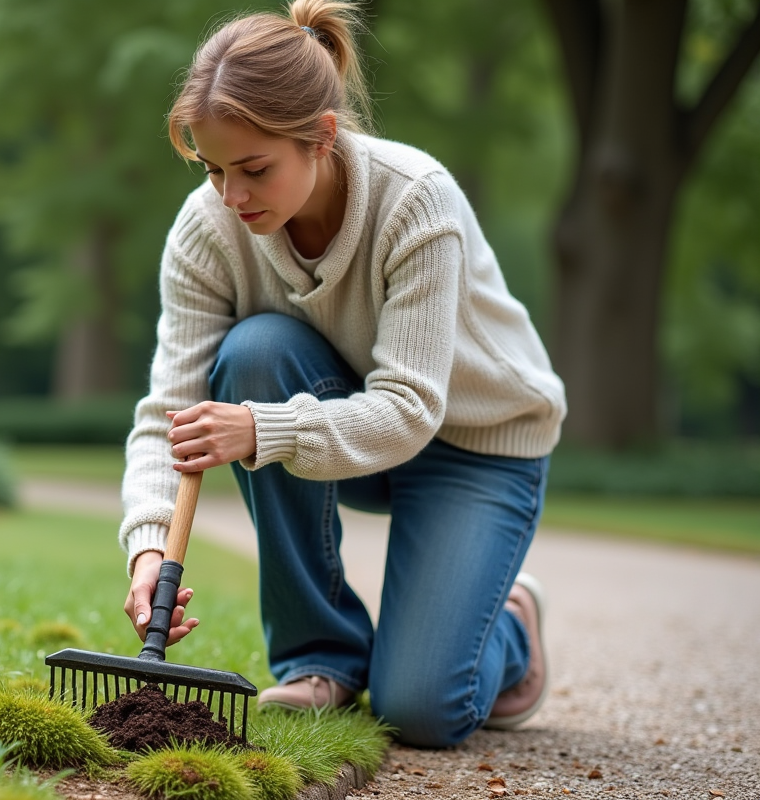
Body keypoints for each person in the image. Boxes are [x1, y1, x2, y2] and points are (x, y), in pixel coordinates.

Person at [118, 0, 566, 748]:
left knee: (422, 709)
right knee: (256, 351)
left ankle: (511, 623)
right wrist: (148, 546)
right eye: (214, 167)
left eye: (254, 169)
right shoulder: (208, 229)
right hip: (336, 429)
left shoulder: (416, 200)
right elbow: (171, 412)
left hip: (475, 446)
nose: (231, 196)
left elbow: (412, 409)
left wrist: (262, 428)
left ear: (322, 136)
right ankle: (320, 656)